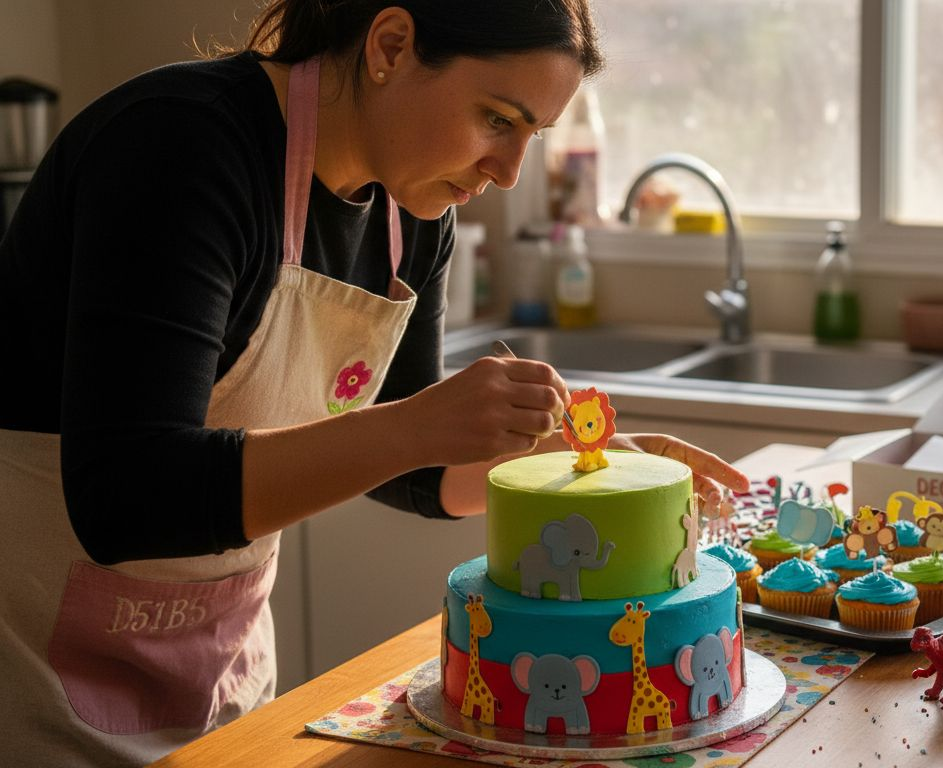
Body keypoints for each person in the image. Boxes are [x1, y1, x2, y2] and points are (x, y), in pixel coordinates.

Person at [0, 1, 747, 765]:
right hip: (36, 684)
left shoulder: (413, 212)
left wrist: (585, 464)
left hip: (219, 679)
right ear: (390, 45)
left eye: (531, 137)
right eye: (496, 119)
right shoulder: (180, 147)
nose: (509, 170)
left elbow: (413, 470)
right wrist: (415, 425)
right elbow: (127, 499)